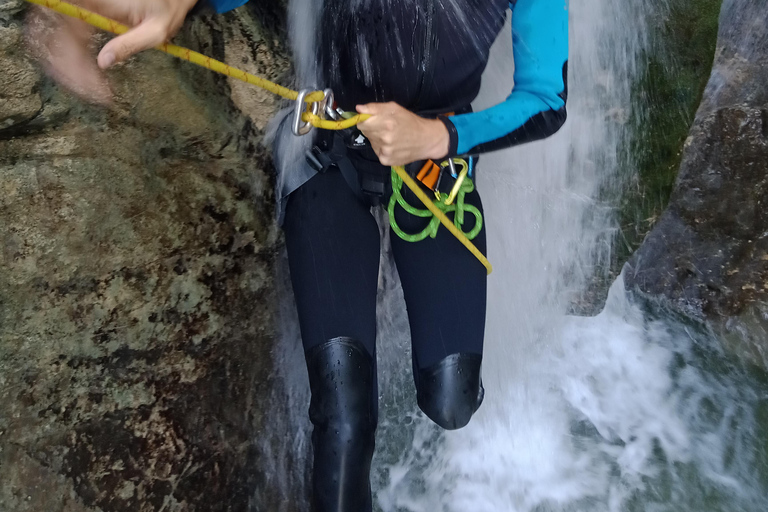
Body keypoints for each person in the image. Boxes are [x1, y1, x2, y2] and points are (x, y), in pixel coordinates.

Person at [34, 0, 568, 510]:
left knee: (450, 401)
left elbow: (547, 100)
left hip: (437, 167)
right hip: (328, 154)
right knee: (344, 419)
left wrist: (438, 136)